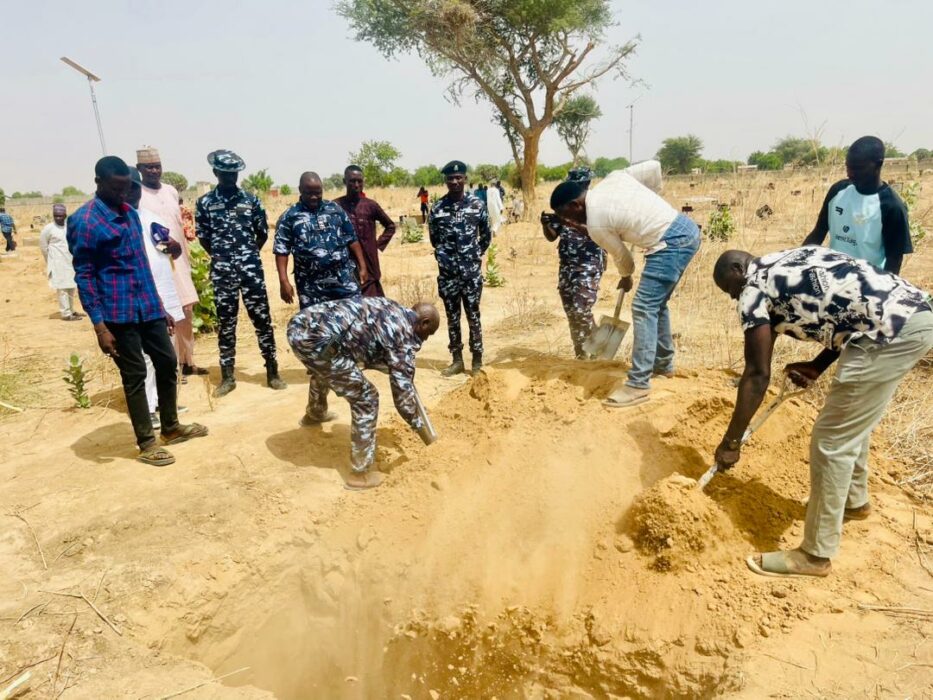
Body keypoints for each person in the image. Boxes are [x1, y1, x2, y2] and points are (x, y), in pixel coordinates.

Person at [712, 247, 932, 578]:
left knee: (831, 441)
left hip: (888, 334)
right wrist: (817, 365)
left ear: (738, 269)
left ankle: (814, 555)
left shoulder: (753, 287)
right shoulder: (795, 256)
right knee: (849, 419)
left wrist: (731, 443)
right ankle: (855, 503)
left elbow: (757, 375)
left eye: (730, 290)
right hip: (914, 315)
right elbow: (846, 312)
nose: (734, 300)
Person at [67, 156, 207, 466]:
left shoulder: (130, 214)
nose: (122, 194)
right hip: (117, 313)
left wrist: (159, 306)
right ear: (99, 184)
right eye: (116, 188)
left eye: (127, 188)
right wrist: (100, 327)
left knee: (168, 361)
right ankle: (146, 442)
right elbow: (85, 276)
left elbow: (140, 265)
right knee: (135, 374)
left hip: (148, 307)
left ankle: (171, 427)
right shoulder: (85, 221)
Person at [550, 170, 700, 407]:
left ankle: (638, 385)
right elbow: (653, 167)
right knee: (656, 304)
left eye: (565, 215)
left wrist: (626, 277)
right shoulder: (615, 177)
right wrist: (652, 203)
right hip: (683, 229)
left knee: (643, 306)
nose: (567, 222)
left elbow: (624, 260)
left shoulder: (596, 224)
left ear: (575, 205)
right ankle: (663, 365)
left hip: (669, 242)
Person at [287, 297, 440, 490]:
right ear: (424, 323)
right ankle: (359, 476)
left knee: (328, 368)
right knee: (367, 398)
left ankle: (315, 413)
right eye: (428, 333)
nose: (426, 339)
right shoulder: (403, 336)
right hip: (316, 341)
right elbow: (404, 401)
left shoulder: (392, 307)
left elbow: (366, 341)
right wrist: (428, 438)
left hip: (300, 325)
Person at [196, 149, 286, 397]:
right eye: (225, 174)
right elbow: (203, 237)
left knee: (262, 321)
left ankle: (272, 371)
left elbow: (262, 234)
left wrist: (247, 255)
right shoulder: (205, 203)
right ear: (216, 173)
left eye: (234, 173)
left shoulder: (251, 200)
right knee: (226, 323)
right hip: (222, 271)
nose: (230, 178)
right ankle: (227, 377)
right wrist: (223, 256)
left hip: (250, 270)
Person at [136, 146, 207, 380]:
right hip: (160, 265)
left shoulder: (170, 191)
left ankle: (188, 361)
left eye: (157, 166)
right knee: (170, 316)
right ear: (140, 169)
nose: (154, 171)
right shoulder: (139, 195)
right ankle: (173, 367)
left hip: (181, 262)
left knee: (187, 311)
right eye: (149, 167)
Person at [126, 168, 186, 429]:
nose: (132, 194)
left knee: (165, 356)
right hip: (136, 301)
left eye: (135, 188)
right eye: (127, 189)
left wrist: (174, 247)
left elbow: (169, 248)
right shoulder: (119, 223)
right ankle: (148, 408)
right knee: (144, 358)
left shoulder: (149, 218)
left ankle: (165, 406)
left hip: (162, 295)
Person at [803, 136, 912, 274]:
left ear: (878, 164)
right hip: (832, 278)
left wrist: (881, 293)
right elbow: (818, 233)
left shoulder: (892, 206)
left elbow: (894, 260)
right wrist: (796, 263)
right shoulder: (838, 191)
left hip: (867, 284)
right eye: (848, 167)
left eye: (858, 168)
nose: (849, 173)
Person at [429, 160, 491, 376]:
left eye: (458, 177)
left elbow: (486, 235)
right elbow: (434, 239)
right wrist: (448, 259)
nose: (454, 181)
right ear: (445, 181)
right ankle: (457, 360)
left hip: (471, 274)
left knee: (474, 316)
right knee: (452, 318)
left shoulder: (477, 205)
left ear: (465, 178)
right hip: (448, 275)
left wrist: (473, 256)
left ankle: (477, 360)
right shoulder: (437, 208)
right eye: (450, 178)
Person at [541, 168, 605, 358]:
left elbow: (598, 233)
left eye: (581, 184)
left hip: (588, 263)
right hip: (567, 266)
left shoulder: (594, 207)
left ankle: (599, 353)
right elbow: (552, 237)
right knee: (571, 311)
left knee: (582, 309)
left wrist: (568, 221)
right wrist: (546, 224)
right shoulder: (565, 205)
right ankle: (580, 354)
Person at [335, 165, 395, 297]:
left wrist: (377, 244)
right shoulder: (336, 206)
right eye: (352, 181)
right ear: (344, 181)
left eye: (359, 181)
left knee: (374, 306)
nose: (356, 185)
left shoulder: (370, 205)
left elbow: (390, 226)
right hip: (346, 263)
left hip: (369, 263)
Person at [39, 204, 82, 321]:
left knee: (71, 286)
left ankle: (71, 310)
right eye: (56, 216)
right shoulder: (48, 229)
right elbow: (43, 246)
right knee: (62, 288)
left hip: (69, 262)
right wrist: (50, 260)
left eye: (60, 216)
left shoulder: (69, 227)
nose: (58, 218)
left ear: (65, 216)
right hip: (57, 263)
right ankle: (66, 313)